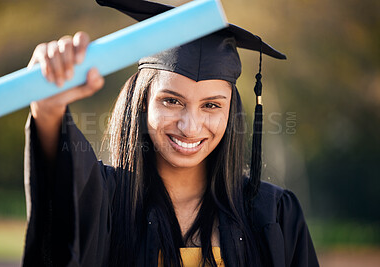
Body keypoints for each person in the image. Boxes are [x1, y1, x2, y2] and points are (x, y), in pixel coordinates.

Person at [22, 1, 319, 266]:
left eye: (212, 105)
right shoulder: (106, 202)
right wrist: (48, 110)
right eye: (172, 101)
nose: (190, 126)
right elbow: (59, 206)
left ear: (231, 112)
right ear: (142, 103)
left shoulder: (274, 215)